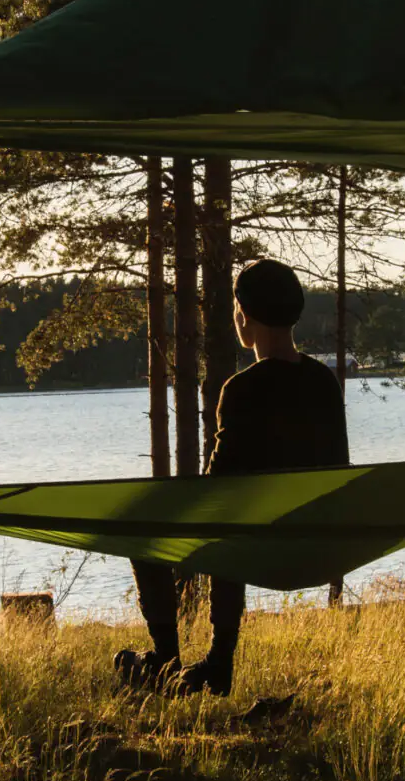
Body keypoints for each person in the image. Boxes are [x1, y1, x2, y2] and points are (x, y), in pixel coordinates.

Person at [115, 259, 349, 696]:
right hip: (318, 544)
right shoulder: (323, 382)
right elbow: (339, 469)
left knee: (144, 535)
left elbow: (217, 489)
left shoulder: (240, 390)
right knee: (237, 524)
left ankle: (169, 661)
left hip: (251, 545)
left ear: (243, 316)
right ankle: (216, 660)